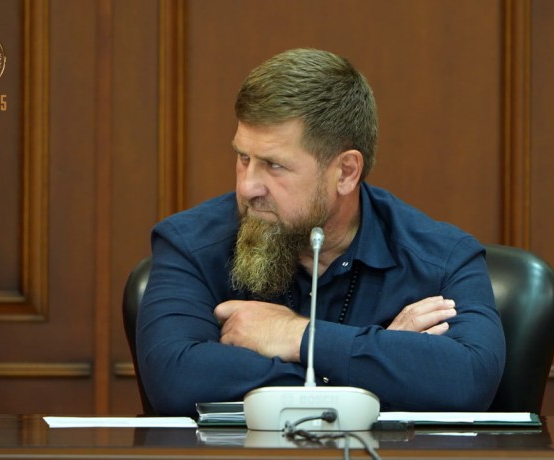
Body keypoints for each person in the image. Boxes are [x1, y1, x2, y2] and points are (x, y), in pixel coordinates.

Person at [137, 48, 505, 416]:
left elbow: (469, 380)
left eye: (274, 165)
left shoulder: (442, 259)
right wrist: (376, 364)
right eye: (243, 158)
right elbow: (175, 380)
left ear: (345, 172)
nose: (248, 187)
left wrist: (297, 336)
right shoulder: (190, 245)